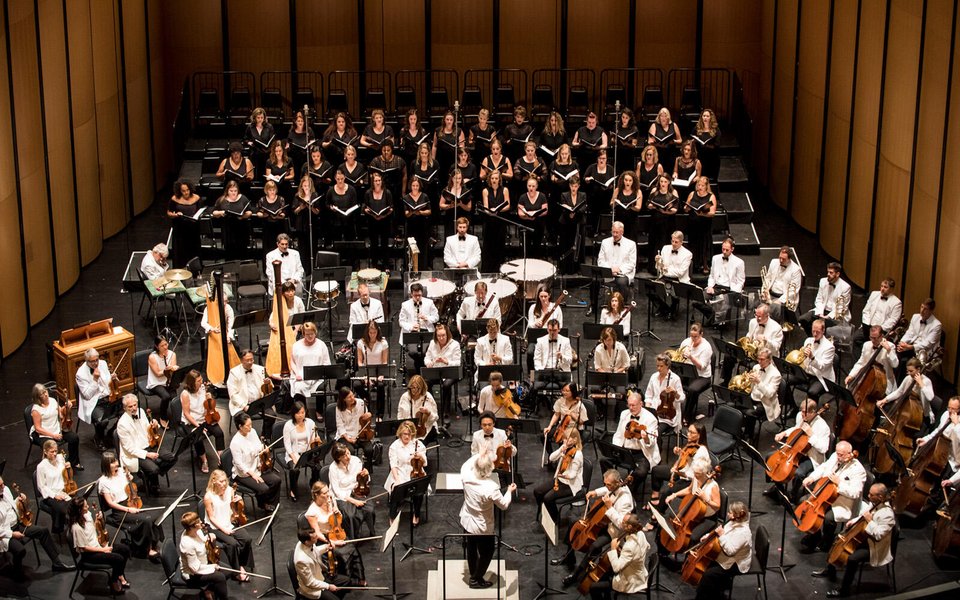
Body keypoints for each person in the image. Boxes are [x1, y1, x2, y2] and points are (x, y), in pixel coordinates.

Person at [813, 483, 897, 598]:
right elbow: (865, 515)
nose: (868, 495)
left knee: (852, 559)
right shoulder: (875, 503)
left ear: (881, 497)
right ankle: (830, 570)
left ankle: (844, 590)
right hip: (865, 536)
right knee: (837, 538)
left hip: (874, 546)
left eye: (871, 495)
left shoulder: (888, 515)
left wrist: (869, 521)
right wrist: (855, 520)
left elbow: (878, 535)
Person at [557, 469, 636, 586]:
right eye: (605, 483)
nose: (606, 486)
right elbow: (608, 489)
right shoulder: (614, 486)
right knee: (574, 523)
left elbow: (621, 524)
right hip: (603, 521)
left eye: (609, 484)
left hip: (613, 530)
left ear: (617, 483)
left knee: (594, 546)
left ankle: (576, 575)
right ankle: (568, 557)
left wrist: (609, 507)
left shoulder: (626, 501)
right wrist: (595, 492)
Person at [799, 440, 868, 552]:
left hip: (844, 502)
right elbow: (823, 467)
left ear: (849, 454)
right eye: (837, 453)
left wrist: (839, 483)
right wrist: (811, 477)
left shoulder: (858, 470)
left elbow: (855, 492)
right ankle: (815, 534)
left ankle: (827, 542)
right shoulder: (835, 456)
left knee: (828, 518)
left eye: (841, 455)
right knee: (804, 501)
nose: (838, 457)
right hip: (825, 494)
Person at [460, 454, 517, 589]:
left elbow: (465, 464)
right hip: (482, 526)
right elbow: (503, 505)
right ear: (489, 470)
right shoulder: (491, 487)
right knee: (487, 552)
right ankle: (475, 578)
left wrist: (480, 454)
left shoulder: (466, 477)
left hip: (468, 521)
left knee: (471, 549)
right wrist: (509, 491)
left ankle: (474, 572)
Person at [0, 475, 74, 577]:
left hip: (18, 524)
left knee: (43, 531)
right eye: (0, 485)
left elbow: (11, 506)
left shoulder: (6, 490)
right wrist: (12, 534)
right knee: (20, 551)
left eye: (3, 483)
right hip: (5, 533)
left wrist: (18, 499)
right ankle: (16, 573)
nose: (3, 486)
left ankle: (57, 563)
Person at [97, 450, 164, 559]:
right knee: (146, 520)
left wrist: (129, 479)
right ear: (106, 465)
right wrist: (128, 510)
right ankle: (147, 548)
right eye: (112, 462)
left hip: (130, 502)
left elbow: (129, 488)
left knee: (155, 515)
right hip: (119, 510)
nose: (116, 464)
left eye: (116, 461)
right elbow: (110, 503)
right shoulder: (103, 481)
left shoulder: (121, 472)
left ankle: (154, 543)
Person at [765, 398, 832, 502]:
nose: (802, 414)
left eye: (805, 412)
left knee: (798, 473)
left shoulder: (823, 427)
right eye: (801, 411)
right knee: (770, 457)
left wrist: (811, 435)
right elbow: (796, 429)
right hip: (795, 450)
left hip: (811, 457)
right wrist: (784, 433)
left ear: (813, 412)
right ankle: (778, 488)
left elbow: (823, 448)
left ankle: (793, 495)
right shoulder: (800, 416)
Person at [303, 481, 367, 584]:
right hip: (324, 538)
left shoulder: (331, 500)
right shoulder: (312, 512)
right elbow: (317, 533)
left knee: (353, 549)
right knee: (341, 554)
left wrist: (337, 513)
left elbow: (338, 518)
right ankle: (347, 580)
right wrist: (333, 542)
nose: (328, 494)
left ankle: (360, 578)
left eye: (328, 491)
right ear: (316, 494)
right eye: (324, 493)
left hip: (336, 532)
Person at [602, 392, 660, 500]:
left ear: (641, 404)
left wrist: (646, 438)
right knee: (604, 460)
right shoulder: (625, 414)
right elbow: (618, 434)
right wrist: (616, 449)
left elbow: (651, 443)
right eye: (629, 405)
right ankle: (612, 484)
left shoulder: (651, 419)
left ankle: (626, 492)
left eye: (633, 405)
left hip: (641, 453)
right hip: (625, 450)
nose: (631, 408)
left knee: (641, 472)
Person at [115, 394, 175, 496]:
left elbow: (148, 429)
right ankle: (153, 484)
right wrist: (148, 455)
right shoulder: (122, 424)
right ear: (125, 408)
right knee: (154, 469)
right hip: (136, 453)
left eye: (135, 405)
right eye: (130, 407)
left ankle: (153, 475)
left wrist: (155, 425)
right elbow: (130, 448)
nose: (134, 408)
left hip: (150, 445)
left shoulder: (141, 411)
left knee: (172, 457)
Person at [69, 497, 130, 593]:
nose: (88, 507)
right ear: (80, 510)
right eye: (85, 506)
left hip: (98, 546)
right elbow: (83, 548)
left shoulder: (87, 515)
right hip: (89, 555)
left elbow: (93, 529)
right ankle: (114, 580)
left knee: (125, 549)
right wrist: (103, 550)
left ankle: (119, 574)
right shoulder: (76, 527)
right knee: (118, 559)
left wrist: (99, 520)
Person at [693, 501, 753, 600]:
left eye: (729, 512)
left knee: (708, 574)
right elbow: (721, 531)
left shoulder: (744, 533)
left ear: (735, 516)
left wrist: (721, 535)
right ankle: (713, 593)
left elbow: (730, 551)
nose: (727, 514)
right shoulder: (732, 522)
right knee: (706, 565)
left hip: (736, 563)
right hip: (726, 554)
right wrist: (708, 536)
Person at [203, 468, 254, 581]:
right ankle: (237, 571)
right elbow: (211, 518)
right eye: (221, 481)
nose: (224, 484)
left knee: (247, 539)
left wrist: (239, 500)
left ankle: (242, 563)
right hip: (214, 527)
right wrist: (224, 530)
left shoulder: (230, 490)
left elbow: (234, 508)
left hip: (228, 522)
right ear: (214, 481)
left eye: (225, 480)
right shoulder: (208, 497)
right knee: (232, 543)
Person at [585, 513, 650, 599]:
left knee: (593, 587)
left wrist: (613, 549)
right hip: (639, 572)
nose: (621, 523)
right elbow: (648, 547)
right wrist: (629, 554)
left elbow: (616, 568)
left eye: (623, 522)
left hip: (630, 581)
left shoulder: (629, 546)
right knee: (605, 572)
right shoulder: (641, 533)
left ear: (630, 527)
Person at [719, 303, 782, 385]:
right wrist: (747, 342)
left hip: (766, 358)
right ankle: (726, 381)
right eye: (756, 315)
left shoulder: (776, 328)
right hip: (751, 353)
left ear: (767, 315)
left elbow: (776, 347)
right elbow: (749, 336)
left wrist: (766, 341)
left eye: (760, 316)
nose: (757, 318)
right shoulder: (753, 322)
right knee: (729, 355)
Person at [230, 412, 282, 511]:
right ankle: (263, 504)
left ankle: (272, 504)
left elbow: (258, 446)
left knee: (276, 480)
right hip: (244, 474)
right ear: (240, 426)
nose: (250, 427)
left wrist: (264, 449)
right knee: (264, 488)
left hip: (256, 467)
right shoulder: (235, 443)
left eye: (251, 424)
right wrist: (253, 475)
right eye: (248, 425)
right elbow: (239, 464)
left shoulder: (252, 432)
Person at [649, 423, 710, 502]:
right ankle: (655, 496)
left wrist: (677, 473)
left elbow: (692, 476)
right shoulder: (692, 444)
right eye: (688, 431)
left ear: (699, 435)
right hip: (681, 472)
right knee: (656, 470)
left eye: (692, 433)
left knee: (668, 491)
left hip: (690, 481)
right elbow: (685, 459)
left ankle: (659, 510)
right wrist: (680, 453)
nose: (688, 434)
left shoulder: (701, 453)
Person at [533, 427, 584, 522]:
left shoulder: (578, 455)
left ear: (575, 439)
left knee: (548, 498)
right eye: (564, 438)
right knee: (537, 491)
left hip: (571, 484)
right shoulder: (565, 447)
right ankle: (544, 512)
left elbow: (573, 474)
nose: (564, 440)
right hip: (560, 480)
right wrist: (560, 450)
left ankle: (555, 520)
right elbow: (551, 458)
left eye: (567, 438)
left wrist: (563, 475)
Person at [180, 369, 225, 474]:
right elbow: (186, 414)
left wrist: (209, 399)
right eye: (198, 381)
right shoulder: (185, 394)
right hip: (191, 421)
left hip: (204, 417)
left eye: (201, 379)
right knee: (198, 438)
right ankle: (204, 460)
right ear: (192, 383)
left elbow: (206, 405)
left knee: (219, 432)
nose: (201, 382)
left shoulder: (203, 388)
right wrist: (198, 426)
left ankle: (221, 457)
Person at [693, 237, 746, 326]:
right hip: (716, 287)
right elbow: (712, 276)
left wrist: (733, 294)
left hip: (729, 289)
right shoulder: (715, 258)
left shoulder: (739, 262)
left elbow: (741, 281)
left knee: (723, 303)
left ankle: (719, 320)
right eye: (723, 249)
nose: (724, 252)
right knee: (696, 300)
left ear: (732, 249)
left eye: (727, 250)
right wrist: (710, 286)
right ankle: (713, 317)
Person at [76, 347, 121, 450]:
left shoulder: (103, 363)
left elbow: (106, 381)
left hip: (109, 397)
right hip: (94, 402)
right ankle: (98, 437)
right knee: (103, 421)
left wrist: (112, 377)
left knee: (126, 410)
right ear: (86, 361)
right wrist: (95, 380)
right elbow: (87, 395)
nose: (96, 363)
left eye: (96, 360)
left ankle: (110, 433)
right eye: (92, 361)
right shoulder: (80, 374)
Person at [29, 382, 81, 470]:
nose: (45, 394)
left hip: (56, 428)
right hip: (43, 433)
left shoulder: (52, 400)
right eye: (42, 394)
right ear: (38, 397)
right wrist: (53, 435)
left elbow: (61, 414)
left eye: (45, 391)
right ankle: (53, 469)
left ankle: (73, 462)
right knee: (51, 446)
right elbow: (38, 429)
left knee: (74, 438)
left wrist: (66, 406)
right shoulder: (36, 410)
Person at [384, 421, 429, 524]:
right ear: (400, 433)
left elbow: (425, 463)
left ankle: (416, 514)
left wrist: (420, 456)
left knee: (419, 491)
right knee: (396, 488)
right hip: (399, 471)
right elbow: (393, 465)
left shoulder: (418, 444)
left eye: (409, 434)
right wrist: (397, 480)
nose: (407, 436)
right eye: (405, 434)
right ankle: (392, 516)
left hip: (415, 471)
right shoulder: (394, 446)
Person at [328, 443, 376, 538]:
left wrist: (366, 475)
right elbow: (337, 491)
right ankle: (354, 537)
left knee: (370, 510)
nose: (348, 457)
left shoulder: (356, 460)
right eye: (344, 456)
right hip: (343, 496)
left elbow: (365, 480)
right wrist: (354, 501)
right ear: (338, 458)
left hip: (357, 491)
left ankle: (372, 531)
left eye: (348, 453)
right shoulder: (333, 468)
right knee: (350, 516)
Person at [179, 511, 229, 600]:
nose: (201, 522)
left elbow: (201, 541)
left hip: (204, 562)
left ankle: (207, 589)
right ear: (192, 526)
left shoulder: (197, 531)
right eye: (198, 521)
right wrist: (212, 567)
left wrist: (209, 537)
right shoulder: (187, 544)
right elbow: (194, 568)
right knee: (220, 577)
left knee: (228, 571)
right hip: (192, 574)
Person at [784, 319, 836, 403]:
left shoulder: (829, 347)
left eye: (818, 332)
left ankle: (811, 413)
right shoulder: (808, 340)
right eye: (813, 331)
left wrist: (812, 357)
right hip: (806, 372)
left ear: (823, 331)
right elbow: (803, 359)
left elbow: (822, 367)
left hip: (820, 377)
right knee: (785, 379)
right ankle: (792, 406)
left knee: (813, 392)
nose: (815, 334)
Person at [293, 527, 351, 599]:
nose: (317, 537)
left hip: (320, 575)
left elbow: (314, 550)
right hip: (312, 588)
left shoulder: (305, 542)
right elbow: (310, 583)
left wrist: (326, 547)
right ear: (307, 542)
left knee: (346, 581)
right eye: (314, 537)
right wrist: (328, 586)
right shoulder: (301, 560)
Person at [877, 357, 937, 427]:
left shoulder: (926, 381)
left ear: (918, 369)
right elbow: (899, 392)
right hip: (908, 411)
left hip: (923, 417)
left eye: (911, 371)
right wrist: (884, 400)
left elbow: (930, 397)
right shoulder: (908, 378)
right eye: (908, 371)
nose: (909, 373)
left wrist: (921, 383)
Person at [593, 221, 637, 314]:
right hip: (607, 272)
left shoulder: (631, 244)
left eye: (617, 232)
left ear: (622, 232)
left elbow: (632, 263)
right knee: (594, 280)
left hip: (623, 273)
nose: (615, 234)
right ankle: (593, 306)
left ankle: (622, 306)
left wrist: (619, 269)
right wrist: (610, 270)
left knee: (621, 282)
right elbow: (600, 260)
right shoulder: (605, 242)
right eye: (613, 232)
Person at [283, 401, 321, 503]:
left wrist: (316, 440)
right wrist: (294, 458)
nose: (301, 415)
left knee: (317, 467)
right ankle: (293, 490)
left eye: (303, 412)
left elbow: (313, 438)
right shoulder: (288, 426)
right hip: (294, 453)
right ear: (293, 414)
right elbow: (287, 444)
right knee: (294, 470)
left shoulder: (310, 422)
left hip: (308, 452)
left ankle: (313, 484)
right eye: (298, 413)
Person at [799, 262, 852, 335]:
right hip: (821, 311)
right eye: (828, 272)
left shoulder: (845, 287)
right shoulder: (823, 281)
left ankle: (823, 342)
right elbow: (819, 299)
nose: (828, 274)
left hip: (835, 315)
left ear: (837, 274)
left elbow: (842, 308)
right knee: (803, 319)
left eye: (831, 273)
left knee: (825, 327)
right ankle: (813, 338)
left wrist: (828, 316)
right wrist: (820, 313)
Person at [290, 322, 332, 415]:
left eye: (312, 334)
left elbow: (326, 362)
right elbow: (292, 362)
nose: (310, 336)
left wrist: (322, 372)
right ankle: (303, 411)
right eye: (307, 334)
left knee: (320, 387)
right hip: (301, 375)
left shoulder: (321, 345)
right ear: (303, 334)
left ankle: (319, 411)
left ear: (315, 333)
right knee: (298, 387)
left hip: (318, 376)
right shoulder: (296, 345)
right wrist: (297, 373)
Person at [918, 396, 960, 488]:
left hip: (951, 463)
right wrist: (926, 439)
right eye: (949, 407)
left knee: (937, 491)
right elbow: (938, 430)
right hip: (938, 455)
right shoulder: (946, 414)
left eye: (953, 409)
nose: (950, 411)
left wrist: (956, 424)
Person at [423, 323, 462, 422]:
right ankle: (432, 407)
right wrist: (429, 363)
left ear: (447, 334)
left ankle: (446, 412)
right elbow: (427, 358)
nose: (441, 338)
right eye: (439, 336)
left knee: (446, 385)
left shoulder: (455, 344)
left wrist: (446, 361)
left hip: (450, 371)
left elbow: (458, 363)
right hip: (436, 370)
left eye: (443, 335)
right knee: (426, 382)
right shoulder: (432, 343)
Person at [673, 325, 711, 424]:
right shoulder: (686, 342)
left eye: (696, 337)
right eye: (691, 336)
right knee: (672, 380)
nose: (693, 339)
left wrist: (691, 357)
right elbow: (678, 357)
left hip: (702, 376)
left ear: (701, 334)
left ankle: (687, 416)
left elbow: (701, 367)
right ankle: (672, 410)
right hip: (687, 372)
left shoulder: (706, 347)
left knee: (692, 390)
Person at [650, 230, 692, 319]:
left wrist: (666, 270)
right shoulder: (665, 248)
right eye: (672, 241)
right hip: (665, 277)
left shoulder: (687, 254)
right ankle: (664, 308)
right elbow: (658, 268)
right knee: (651, 289)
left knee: (675, 293)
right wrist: (658, 262)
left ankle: (672, 310)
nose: (673, 244)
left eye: (676, 242)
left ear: (681, 242)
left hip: (678, 279)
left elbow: (680, 273)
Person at [896, 298, 942, 378]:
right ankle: (896, 385)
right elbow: (909, 333)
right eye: (921, 307)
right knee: (896, 354)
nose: (922, 311)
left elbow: (927, 344)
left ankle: (906, 386)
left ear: (931, 311)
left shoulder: (937, 325)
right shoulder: (915, 317)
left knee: (906, 362)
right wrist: (902, 343)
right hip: (910, 347)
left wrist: (910, 347)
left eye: (925, 309)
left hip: (923, 353)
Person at [398, 283, 439, 374]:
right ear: (411, 294)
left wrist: (427, 318)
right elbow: (401, 321)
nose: (417, 298)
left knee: (425, 351)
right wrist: (411, 326)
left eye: (419, 295)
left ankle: (421, 371)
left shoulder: (429, 303)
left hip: (426, 331)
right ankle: (421, 369)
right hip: (411, 332)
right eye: (415, 295)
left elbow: (436, 317)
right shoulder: (405, 305)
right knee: (413, 352)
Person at [845, 325, 898, 394]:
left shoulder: (890, 346)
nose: (872, 340)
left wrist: (888, 350)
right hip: (868, 380)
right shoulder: (866, 345)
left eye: (875, 338)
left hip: (884, 384)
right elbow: (861, 363)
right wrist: (851, 375)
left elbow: (895, 365)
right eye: (871, 337)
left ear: (881, 336)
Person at [533, 320, 574, 405]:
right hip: (545, 371)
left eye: (554, 330)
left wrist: (562, 356)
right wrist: (541, 371)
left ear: (559, 329)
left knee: (569, 388)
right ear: (547, 329)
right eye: (550, 330)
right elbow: (536, 359)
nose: (552, 333)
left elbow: (570, 360)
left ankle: (566, 405)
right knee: (534, 387)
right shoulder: (540, 341)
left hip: (560, 372)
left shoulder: (565, 341)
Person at [644, 352, 685, 436]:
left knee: (655, 434)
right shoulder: (653, 377)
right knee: (644, 431)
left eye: (661, 366)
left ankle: (658, 448)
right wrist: (648, 409)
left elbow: (682, 398)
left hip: (667, 416)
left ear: (667, 366)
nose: (659, 368)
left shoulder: (675, 379)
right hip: (654, 412)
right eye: (657, 366)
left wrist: (674, 392)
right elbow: (648, 395)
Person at [354, 320, 389, 417]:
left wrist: (381, 375)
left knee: (381, 386)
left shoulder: (383, 343)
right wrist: (366, 377)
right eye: (370, 333)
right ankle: (367, 398)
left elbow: (384, 361)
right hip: (366, 372)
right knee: (356, 384)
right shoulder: (361, 343)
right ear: (367, 332)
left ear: (378, 331)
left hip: (379, 372)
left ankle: (380, 414)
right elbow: (360, 361)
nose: (372, 335)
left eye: (374, 332)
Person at [684, 176, 718, 274]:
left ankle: (705, 265)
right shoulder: (692, 194)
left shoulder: (711, 196)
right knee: (693, 243)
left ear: (707, 186)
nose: (700, 187)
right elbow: (686, 208)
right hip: (693, 224)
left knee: (704, 243)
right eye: (699, 185)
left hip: (705, 224)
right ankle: (694, 265)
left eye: (702, 185)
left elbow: (712, 213)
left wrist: (702, 213)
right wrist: (687, 207)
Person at [36, 440, 72, 533]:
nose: (55, 454)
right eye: (52, 452)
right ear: (45, 452)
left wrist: (69, 467)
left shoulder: (60, 458)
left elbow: (66, 475)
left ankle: (74, 529)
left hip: (64, 490)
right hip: (51, 495)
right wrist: (55, 495)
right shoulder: (41, 466)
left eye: (56, 451)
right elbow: (41, 486)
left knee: (78, 504)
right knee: (64, 509)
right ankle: (59, 527)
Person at [211, 180, 254, 257]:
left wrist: (243, 216)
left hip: (241, 228)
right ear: (227, 191)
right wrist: (221, 212)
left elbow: (250, 211)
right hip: (228, 229)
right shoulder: (222, 199)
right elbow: (214, 212)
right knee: (229, 252)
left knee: (242, 251)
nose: (233, 193)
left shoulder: (243, 198)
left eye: (235, 191)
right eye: (231, 191)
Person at [334, 388, 375, 467]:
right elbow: (340, 426)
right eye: (349, 397)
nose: (353, 398)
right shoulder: (339, 408)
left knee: (369, 449)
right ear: (344, 399)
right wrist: (348, 438)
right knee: (350, 451)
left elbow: (366, 418)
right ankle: (351, 470)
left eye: (353, 395)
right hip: (345, 435)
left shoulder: (361, 403)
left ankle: (367, 471)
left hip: (360, 433)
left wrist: (369, 415)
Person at [542, 382, 589, 450]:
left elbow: (581, 422)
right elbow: (556, 414)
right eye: (563, 390)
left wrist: (572, 415)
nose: (564, 392)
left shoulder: (580, 405)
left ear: (573, 392)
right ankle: (551, 456)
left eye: (567, 391)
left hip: (574, 429)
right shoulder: (560, 401)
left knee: (565, 446)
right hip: (562, 427)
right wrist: (549, 426)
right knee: (544, 436)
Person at [857, 277, 902, 346]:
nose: (882, 289)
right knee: (856, 339)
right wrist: (867, 324)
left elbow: (893, 320)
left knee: (875, 343)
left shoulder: (897, 302)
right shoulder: (874, 294)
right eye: (881, 286)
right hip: (868, 327)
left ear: (892, 289)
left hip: (882, 331)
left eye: (885, 287)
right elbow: (866, 310)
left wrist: (879, 330)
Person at [167, 179, 202, 267]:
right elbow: (169, 212)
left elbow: (200, 210)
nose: (186, 192)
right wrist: (175, 215)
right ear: (180, 191)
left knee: (193, 250)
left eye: (187, 190)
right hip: (180, 229)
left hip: (193, 228)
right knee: (181, 250)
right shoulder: (174, 199)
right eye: (183, 191)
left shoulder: (196, 198)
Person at [762, 246, 803, 322]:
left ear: (789, 259)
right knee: (757, 304)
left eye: (783, 259)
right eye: (780, 257)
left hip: (785, 299)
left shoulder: (796, 270)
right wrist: (765, 290)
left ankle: (773, 327)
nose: (780, 260)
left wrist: (779, 301)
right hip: (771, 294)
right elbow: (768, 278)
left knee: (772, 308)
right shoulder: (774, 262)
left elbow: (793, 291)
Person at [480, 168, 510, 272]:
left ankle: (499, 270)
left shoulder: (505, 190)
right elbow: (485, 207)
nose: (494, 180)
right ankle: (487, 271)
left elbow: (508, 205)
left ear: (499, 179)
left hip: (500, 221)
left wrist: (498, 210)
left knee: (499, 247)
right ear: (489, 179)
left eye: (496, 178)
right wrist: (490, 211)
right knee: (488, 247)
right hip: (489, 222)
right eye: (492, 178)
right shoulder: (485, 190)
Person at [747, 348, 783, 432]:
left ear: (769, 360)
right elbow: (751, 386)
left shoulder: (776, 375)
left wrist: (758, 382)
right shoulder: (756, 367)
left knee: (749, 413)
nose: (759, 361)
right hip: (752, 396)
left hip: (765, 403)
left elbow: (769, 394)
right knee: (734, 404)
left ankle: (749, 436)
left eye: (762, 359)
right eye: (758, 358)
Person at [397, 375, 439, 444]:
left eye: (418, 388)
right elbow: (400, 414)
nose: (415, 390)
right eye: (413, 387)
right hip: (408, 429)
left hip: (426, 428)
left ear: (422, 388)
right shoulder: (404, 397)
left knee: (418, 445)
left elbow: (435, 417)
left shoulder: (428, 397)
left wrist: (428, 413)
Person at [557, 175, 587, 274]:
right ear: (569, 186)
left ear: (578, 186)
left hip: (578, 222)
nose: (573, 188)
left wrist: (575, 213)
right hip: (566, 222)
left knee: (578, 245)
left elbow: (583, 208)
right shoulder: (564, 195)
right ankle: (564, 268)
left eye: (575, 186)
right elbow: (563, 206)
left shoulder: (583, 195)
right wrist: (569, 214)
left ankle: (578, 268)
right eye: (572, 186)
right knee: (565, 245)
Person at [226, 349, 268, 419]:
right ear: (241, 361)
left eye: (251, 360)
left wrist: (267, 384)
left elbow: (266, 391)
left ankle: (265, 430)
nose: (250, 362)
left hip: (258, 403)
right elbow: (233, 395)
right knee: (243, 420)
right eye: (247, 360)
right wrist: (244, 406)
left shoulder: (260, 369)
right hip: (241, 405)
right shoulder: (234, 373)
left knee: (272, 416)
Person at [364, 171, 394, 267]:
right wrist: (372, 214)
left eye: (379, 180)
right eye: (376, 180)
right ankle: (374, 265)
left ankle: (386, 265)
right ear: (372, 182)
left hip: (384, 221)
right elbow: (365, 207)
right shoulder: (368, 193)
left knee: (385, 244)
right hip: (372, 222)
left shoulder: (387, 192)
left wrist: (383, 216)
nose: (378, 182)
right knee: (374, 245)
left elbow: (391, 208)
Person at [469, 319, 513, 385]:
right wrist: (486, 365)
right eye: (490, 332)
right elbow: (477, 359)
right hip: (485, 373)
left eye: (494, 332)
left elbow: (510, 358)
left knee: (502, 390)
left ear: (498, 329)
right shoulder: (480, 341)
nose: (492, 335)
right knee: (485, 389)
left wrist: (500, 358)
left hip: (501, 372)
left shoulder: (505, 340)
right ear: (487, 329)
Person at [146, 335, 178, 422]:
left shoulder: (172, 354)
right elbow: (157, 374)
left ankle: (179, 417)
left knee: (175, 398)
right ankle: (163, 417)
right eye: (162, 346)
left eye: (166, 344)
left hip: (168, 381)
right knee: (166, 397)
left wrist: (173, 369)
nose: (165, 347)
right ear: (157, 346)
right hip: (156, 382)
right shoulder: (152, 357)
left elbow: (172, 372)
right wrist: (166, 370)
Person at [402, 177, 432, 265]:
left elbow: (429, 211)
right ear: (410, 186)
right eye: (413, 185)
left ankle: (423, 267)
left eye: (417, 186)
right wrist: (412, 212)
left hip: (422, 225)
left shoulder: (424, 196)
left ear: (419, 186)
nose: (415, 187)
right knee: (410, 247)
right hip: (411, 225)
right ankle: (410, 267)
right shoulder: (406, 198)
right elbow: (406, 213)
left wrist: (421, 212)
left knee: (422, 246)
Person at [517, 176, 549, 256]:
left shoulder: (542, 196)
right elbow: (520, 213)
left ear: (537, 186)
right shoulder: (522, 197)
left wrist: (534, 214)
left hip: (538, 225)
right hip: (526, 226)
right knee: (526, 248)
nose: (531, 188)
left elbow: (545, 210)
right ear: (527, 186)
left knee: (537, 247)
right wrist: (528, 216)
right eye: (529, 186)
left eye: (533, 186)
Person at [325, 168, 360, 243]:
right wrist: (331, 207)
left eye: (342, 178)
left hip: (349, 220)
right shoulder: (331, 190)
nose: (340, 181)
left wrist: (349, 211)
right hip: (336, 221)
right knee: (336, 242)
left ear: (344, 177)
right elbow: (327, 204)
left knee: (349, 243)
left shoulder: (351, 189)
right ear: (335, 178)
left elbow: (355, 204)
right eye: (338, 179)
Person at [243, 107, 275, 176]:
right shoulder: (250, 127)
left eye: (262, 117)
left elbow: (272, 140)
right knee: (255, 173)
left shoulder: (269, 127)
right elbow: (245, 139)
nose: (260, 119)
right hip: (255, 153)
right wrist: (249, 142)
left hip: (266, 154)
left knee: (265, 174)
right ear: (254, 118)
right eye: (258, 117)